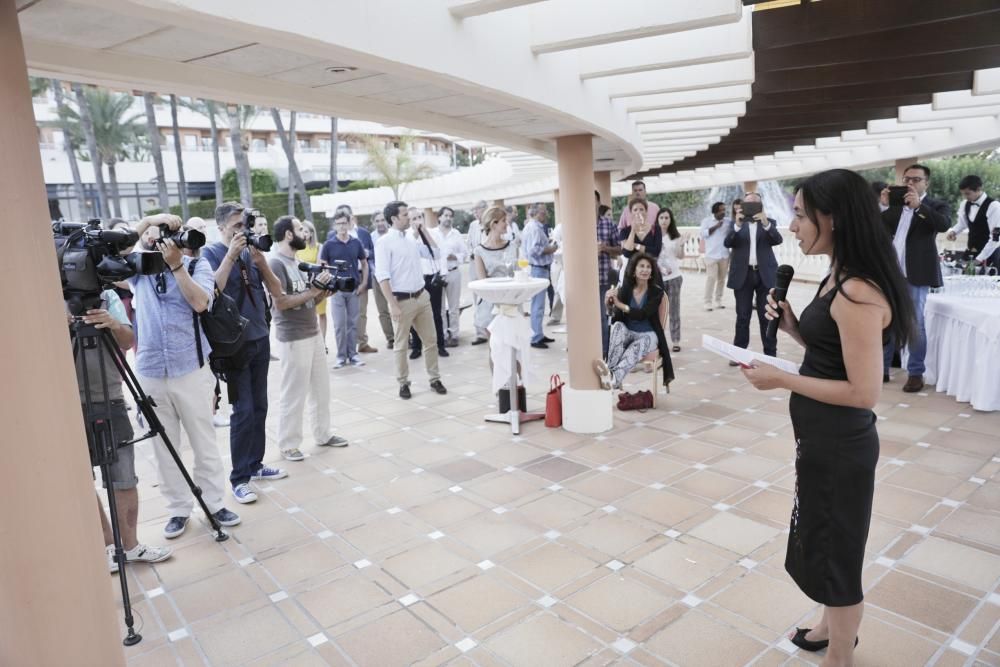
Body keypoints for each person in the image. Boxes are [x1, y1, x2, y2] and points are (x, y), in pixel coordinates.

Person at [743, 168, 914, 664]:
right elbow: (836, 354)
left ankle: (841, 653)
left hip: (841, 444)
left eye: (799, 216)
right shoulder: (838, 273)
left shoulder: (859, 290)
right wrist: (797, 329)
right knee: (818, 535)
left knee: (838, 549)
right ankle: (825, 624)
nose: (792, 226)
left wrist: (784, 378)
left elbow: (863, 393)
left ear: (832, 219)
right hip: (820, 437)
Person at [129, 214, 242, 534]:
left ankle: (215, 504)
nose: (166, 240)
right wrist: (149, 221)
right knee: (164, 445)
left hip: (190, 367)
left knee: (203, 440)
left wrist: (178, 265)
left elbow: (200, 303)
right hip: (150, 370)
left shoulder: (197, 266)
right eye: (160, 235)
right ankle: (178, 508)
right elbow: (117, 251)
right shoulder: (140, 269)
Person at [72, 288, 172, 572]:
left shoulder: (106, 296)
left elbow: (128, 341)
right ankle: (106, 544)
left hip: (110, 396)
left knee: (124, 476)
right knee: (80, 479)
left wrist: (113, 323)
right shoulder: (47, 299)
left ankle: (129, 546)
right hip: (66, 402)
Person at [202, 203, 288, 505]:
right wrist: (231, 255)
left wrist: (261, 262)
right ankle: (239, 478)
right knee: (243, 410)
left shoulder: (252, 251)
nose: (243, 231)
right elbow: (210, 292)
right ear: (222, 227)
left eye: (245, 225)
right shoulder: (211, 252)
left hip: (260, 337)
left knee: (261, 406)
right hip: (233, 344)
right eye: (237, 225)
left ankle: (255, 464)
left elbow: (277, 291)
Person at [268, 215, 349, 461]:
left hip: (313, 333)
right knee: (294, 393)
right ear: (289, 235)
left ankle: (323, 434)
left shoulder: (299, 263)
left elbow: (308, 300)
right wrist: (313, 291)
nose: (306, 233)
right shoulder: (276, 264)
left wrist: (323, 292)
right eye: (300, 229)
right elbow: (280, 303)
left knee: (321, 390)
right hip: (293, 337)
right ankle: (288, 444)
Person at [879, 164, 951, 392]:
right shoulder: (896, 206)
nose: (910, 183)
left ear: (926, 183)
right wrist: (883, 205)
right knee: (884, 321)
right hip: (890, 273)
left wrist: (919, 206)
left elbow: (943, 224)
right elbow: (876, 228)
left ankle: (916, 373)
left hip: (916, 275)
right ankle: (881, 369)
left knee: (915, 323)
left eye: (916, 180)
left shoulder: (935, 205)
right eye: (907, 179)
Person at [374, 200, 448, 399]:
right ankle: (403, 383)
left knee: (431, 341)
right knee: (401, 345)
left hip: (421, 296)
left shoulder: (410, 239)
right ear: (394, 218)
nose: (409, 217)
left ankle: (435, 378)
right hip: (401, 301)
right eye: (405, 214)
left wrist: (424, 232)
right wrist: (393, 304)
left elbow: (436, 254)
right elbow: (382, 277)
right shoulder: (383, 243)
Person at [598, 253, 674, 390]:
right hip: (629, 333)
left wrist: (620, 305)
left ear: (651, 272)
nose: (645, 270)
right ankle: (611, 374)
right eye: (641, 266)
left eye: (648, 267)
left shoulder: (656, 292)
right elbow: (613, 315)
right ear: (634, 270)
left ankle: (611, 378)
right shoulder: (625, 290)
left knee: (636, 347)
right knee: (617, 326)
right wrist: (608, 304)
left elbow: (642, 314)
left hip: (648, 335)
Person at [725, 191, 783, 361]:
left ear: (760, 206)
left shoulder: (769, 223)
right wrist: (736, 224)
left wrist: (765, 223)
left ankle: (770, 355)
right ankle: (739, 354)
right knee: (743, 316)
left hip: (765, 275)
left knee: (767, 316)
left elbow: (778, 239)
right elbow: (727, 242)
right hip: (743, 275)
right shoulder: (735, 224)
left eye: (754, 204)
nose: (750, 207)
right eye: (747, 204)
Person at [320, 211, 369, 368]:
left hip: (354, 289)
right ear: (335, 225)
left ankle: (353, 355)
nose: (341, 226)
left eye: (344, 223)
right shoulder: (329, 245)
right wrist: (329, 283)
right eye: (338, 223)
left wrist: (363, 283)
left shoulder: (356, 243)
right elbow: (323, 266)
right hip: (337, 291)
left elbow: (365, 264)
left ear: (349, 224)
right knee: (340, 325)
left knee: (353, 323)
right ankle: (341, 356)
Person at [406, 207, 449, 359]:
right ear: (408, 221)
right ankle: (416, 346)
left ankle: (441, 345)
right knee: (415, 315)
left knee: (436, 314)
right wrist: (416, 233)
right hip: (416, 281)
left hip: (432, 278)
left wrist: (425, 233)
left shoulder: (434, 232)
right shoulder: (406, 237)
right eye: (413, 218)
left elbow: (438, 253)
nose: (417, 221)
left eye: (419, 217)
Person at [473, 206, 518, 336]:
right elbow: (483, 283)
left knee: (513, 348)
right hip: (490, 305)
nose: (507, 223)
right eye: (503, 220)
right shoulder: (479, 251)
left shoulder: (512, 246)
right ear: (494, 223)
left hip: (511, 302)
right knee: (495, 349)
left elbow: (517, 274)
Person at [339, 205, 379, 355]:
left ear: (352, 216)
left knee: (361, 312)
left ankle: (362, 343)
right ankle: (347, 347)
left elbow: (374, 251)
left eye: (347, 216)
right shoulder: (334, 235)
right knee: (344, 314)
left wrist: (367, 253)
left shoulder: (363, 233)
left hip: (361, 275)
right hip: (344, 278)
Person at [521, 202, 557, 349]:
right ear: (536, 213)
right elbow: (534, 250)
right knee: (538, 305)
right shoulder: (535, 227)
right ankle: (535, 337)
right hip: (538, 269)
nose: (546, 214)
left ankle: (539, 334)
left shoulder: (532, 227)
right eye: (543, 212)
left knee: (539, 305)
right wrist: (551, 249)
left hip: (540, 268)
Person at [431, 206, 466, 346]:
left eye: (450, 216)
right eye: (445, 215)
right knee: (439, 308)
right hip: (438, 275)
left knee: (453, 307)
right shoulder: (432, 233)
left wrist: (454, 256)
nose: (448, 218)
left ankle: (455, 334)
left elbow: (465, 253)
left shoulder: (456, 234)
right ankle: (443, 335)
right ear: (439, 217)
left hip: (453, 272)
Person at [946, 175, 999, 255]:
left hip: (990, 254)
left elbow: (996, 238)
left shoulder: (994, 206)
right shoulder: (964, 204)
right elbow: (962, 223)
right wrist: (954, 232)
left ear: (978, 189)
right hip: (971, 251)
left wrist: (980, 259)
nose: (965, 197)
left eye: (967, 194)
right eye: (963, 194)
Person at [295, 219, 327, 345]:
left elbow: (319, 265)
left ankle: (323, 342)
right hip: (303, 285)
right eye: (302, 231)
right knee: (309, 313)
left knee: (322, 314)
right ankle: (312, 341)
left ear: (312, 233)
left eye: (307, 231)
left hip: (318, 283)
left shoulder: (319, 247)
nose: (304, 234)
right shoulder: (297, 248)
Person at [596, 199, 621, 358]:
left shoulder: (608, 224)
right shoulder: (576, 223)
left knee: (603, 318)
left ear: (598, 203)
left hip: (603, 278)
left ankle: (604, 353)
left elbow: (619, 249)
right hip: (581, 281)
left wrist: (605, 248)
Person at [657, 207, 684, 352]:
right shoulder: (653, 235)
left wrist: (680, 244)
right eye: (661, 217)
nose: (664, 220)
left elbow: (680, 256)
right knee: (658, 311)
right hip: (657, 278)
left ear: (670, 219)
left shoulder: (675, 236)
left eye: (667, 218)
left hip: (674, 278)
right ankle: (659, 340)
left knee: (674, 310)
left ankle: (675, 340)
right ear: (657, 219)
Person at [370, 210, 396, 348]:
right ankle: (391, 338)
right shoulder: (371, 237)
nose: (380, 223)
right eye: (377, 221)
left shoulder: (393, 235)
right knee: (382, 309)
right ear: (373, 223)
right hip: (377, 277)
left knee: (398, 305)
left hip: (395, 276)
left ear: (386, 221)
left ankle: (404, 334)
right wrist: (377, 272)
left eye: (382, 220)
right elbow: (369, 258)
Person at [699, 201, 731, 311]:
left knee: (722, 279)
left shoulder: (728, 221)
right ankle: (707, 302)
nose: (723, 212)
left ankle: (718, 300)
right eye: (721, 210)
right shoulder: (706, 221)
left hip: (724, 255)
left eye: (724, 210)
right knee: (711, 278)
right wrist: (716, 226)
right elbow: (703, 234)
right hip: (711, 256)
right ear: (715, 211)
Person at [621, 197, 663, 265]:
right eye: (635, 210)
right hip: (632, 270)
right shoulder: (624, 231)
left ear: (646, 212)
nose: (638, 212)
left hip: (651, 269)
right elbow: (626, 253)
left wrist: (636, 245)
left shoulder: (656, 229)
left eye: (641, 209)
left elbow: (656, 252)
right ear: (631, 213)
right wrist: (633, 231)